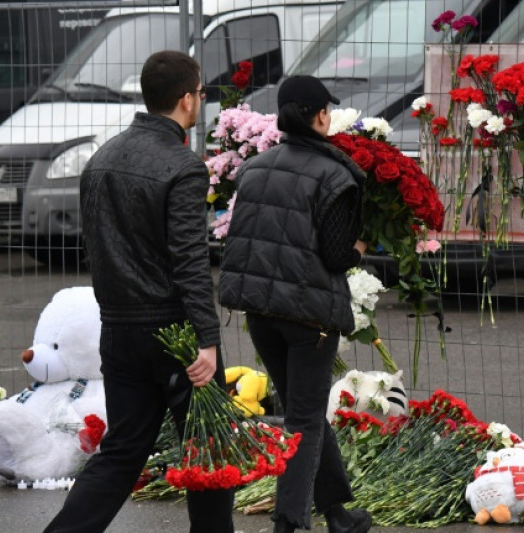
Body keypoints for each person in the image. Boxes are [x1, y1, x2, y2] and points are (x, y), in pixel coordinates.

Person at [43, 50, 234, 533]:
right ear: (187, 99)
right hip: (174, 334)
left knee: (122, 452)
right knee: (207, 450)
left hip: (119, 328)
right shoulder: (183, 166)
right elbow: (190, 261)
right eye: (200, 92)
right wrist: (207, 340)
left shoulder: (102, 159)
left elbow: (100, 247)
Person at [218, 75, 371, 533]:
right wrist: (361, 247)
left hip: (263, 314)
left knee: (303, 409)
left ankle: (338, 514)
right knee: (304, 418)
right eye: (327, 109)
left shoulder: (254, 168)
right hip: (310, 320)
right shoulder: (337, 174)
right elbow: (337, 255)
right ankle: (290, 523)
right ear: (318, 115)